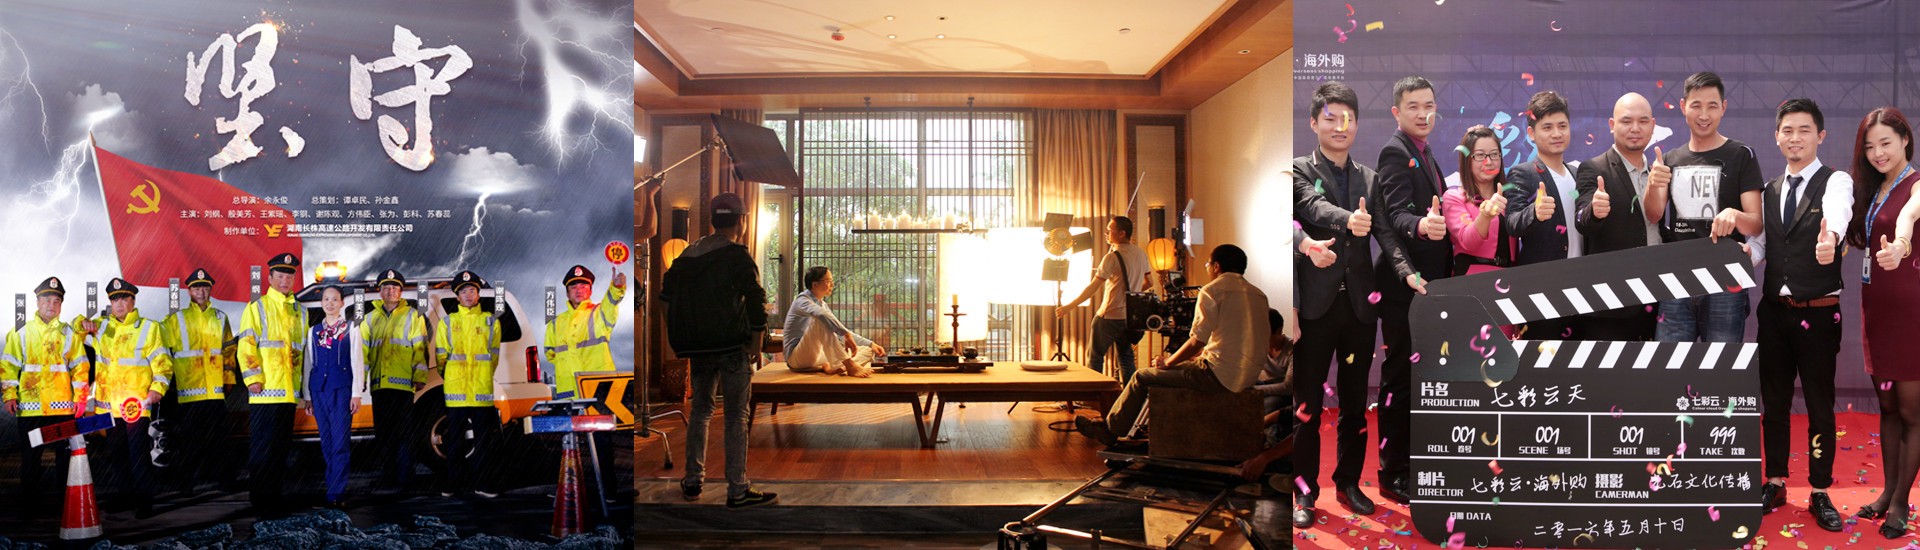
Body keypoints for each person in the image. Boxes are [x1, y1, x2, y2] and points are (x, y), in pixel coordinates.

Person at [1289, 80, 1420, 525]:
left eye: (1347, 119)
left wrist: (1406, 271)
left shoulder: (1370, 177)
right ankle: (1304, 493)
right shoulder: (1299, 170)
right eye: (1330, 118)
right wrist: (1348, 220)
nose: (1339, 126)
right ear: (1314, 123)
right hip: (1315, 308)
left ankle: (1348, 483)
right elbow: (1312, 207)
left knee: (1354, 404)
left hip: (1362, 309)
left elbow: (1385, 233)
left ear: (1357, 124)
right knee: (1306, 406)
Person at [1743, 98, 1850, 532]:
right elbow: (1762, 247)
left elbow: (1838, 213)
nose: (1795, 138)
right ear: (1776, 137)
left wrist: (1832, 238)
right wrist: (1741, 257)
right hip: (1774, 313)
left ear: (1820, 135)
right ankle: (1775, 481)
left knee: (1820, 405)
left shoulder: (1835, 181)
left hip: (1819, 314)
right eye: (1787, 130)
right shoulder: (1769, 190)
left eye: (1804, 130)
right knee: (1774, 403)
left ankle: (1820, 490)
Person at [1075, 244, 1270, 448]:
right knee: (1170, 366)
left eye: (1208, 264)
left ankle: (1110, 430)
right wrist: (1195, 358)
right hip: (1249, 376)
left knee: (1141, 376)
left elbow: (1197, 341)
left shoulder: (1213, 291)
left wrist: (1168, 362)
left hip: (1217, 376)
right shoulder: (1258, 294)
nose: (1207, 268)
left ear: (1216, 266)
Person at [660, 193, 777, 509]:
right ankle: (737, 489)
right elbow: (756, 299)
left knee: (701, 410)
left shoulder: (688, 255)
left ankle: (693, 480)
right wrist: (756, 343)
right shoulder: (736, 254)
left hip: (699, 348)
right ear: (742, 220)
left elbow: (665, 300)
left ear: (712, 219)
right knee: (737, 414)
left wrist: (679, 335)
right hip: (732, 345)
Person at [1844, 107, 1920, 539]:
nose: (1878, 153)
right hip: (1877, 310)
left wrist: (1902, 246)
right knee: (1888, 408)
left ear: (1905, 139)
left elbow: (1908, 219)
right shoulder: (1873, 190)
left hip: (1911, 312)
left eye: (1886, 143)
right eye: (1870, 146)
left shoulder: (1916, 185)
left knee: (1911, 412)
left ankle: (1900, 502)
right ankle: (1888, 490)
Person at [1373, 75, 1449, 506]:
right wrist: (1421, 225)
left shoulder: (1425, 150)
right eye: (1414, 107)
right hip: (1403, 287)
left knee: (1417, 379)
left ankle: (1410, 464)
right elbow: (1395, 213)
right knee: (1400, 379)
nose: (1423, 114)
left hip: (1425, 286)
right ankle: (1392, 473)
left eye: (1429, 105)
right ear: (1396, 112)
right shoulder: (1395, 151)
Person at [1647, 72, 1765, 343]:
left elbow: (1756, 223)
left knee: (1722, 365)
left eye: (1712, 106)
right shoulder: (1670, 159)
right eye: (1696, 105)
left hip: (1726, 276)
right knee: (1671, 363)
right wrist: (1653, 184)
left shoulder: (1741, 155)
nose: (1704, 115)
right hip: (1676, 277)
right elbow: (1654, 214)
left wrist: (1735, 216)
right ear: (1683, 106)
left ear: (1723, 108)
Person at [1575, 93, 1666, 341]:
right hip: (1611, 305)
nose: (1635, 128)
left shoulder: (1659, 171)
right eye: (1626, 121)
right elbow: (1582, 219)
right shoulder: (1594, 168)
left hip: (1657, 300)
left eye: (1643, 121)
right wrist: (1595, 211)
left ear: (1653, 125)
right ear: (1612, 125)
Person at [80, 278, 170, 518]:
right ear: (110, 303)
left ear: (133, 301)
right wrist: (82, 322)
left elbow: (162, 362)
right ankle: (125, 496)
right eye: (114, 300)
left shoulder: (149, 328)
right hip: (108, 407)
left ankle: (144, 500)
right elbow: (75, 330)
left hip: (136, 406)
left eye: (123, 299)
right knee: (116, 454)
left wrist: (158, 388)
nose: (119, 304)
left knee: (138, 455)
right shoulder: (101, 327)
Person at [1, 277, 90, 518]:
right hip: (30, 409)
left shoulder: (69, 333)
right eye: (47, 299)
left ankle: (65, 506)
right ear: (37, 302)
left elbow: (80, 367)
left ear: (61, 305)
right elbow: (8, 366)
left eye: (56, 300)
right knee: (31, 460)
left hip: (62, 409)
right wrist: (9, 395)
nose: (51, 304)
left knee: (65, 459)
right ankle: (30, 508)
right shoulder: (21, 331)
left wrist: (81, 398)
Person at [1503, 91, 1582, 340]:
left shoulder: (1578, 174)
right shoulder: (1523, 173)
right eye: (1547, 127)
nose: (1557, 133)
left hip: (1583, 288)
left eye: (1562, 126)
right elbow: (1512, 222)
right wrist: (1534, 213)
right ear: (1531, 133)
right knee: (1542, 360)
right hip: (1542, 291)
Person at [545, 264, 627, 501]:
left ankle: (608, 492)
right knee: (567, 443)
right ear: (567, 292)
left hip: (596, 389)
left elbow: (612, 302)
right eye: (574, 286)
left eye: (584, 285)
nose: (579, 289)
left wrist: (617, 287)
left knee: (601, 441)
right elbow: (550, 352)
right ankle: (570, 490)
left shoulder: (600, 313)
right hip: (568, 391)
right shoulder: (555, 322)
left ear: (590, 290)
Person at [240, 252, 307, 514]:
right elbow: (247, 345)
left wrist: (301, 389)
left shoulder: (300, 311)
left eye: (289, 276)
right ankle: (259, 500)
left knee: (280, 449)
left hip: (288, 392)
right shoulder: (257, 307)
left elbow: (301, 352)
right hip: (265, 391)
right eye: (280, 276)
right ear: (269, 278)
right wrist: (253, 378)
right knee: (262, 449)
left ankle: (275, 497)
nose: (285, 280)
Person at [161, 268, 237, 491]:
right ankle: (186, 484)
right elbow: (162, 348)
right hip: (189, 391)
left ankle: (225, 482)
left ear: (210, 290)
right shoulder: (176, 319)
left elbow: (228, 350)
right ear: (189, 291)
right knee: (189, 441)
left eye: (205, 287)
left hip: (215, 390)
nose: (201, 292)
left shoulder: (220, 317)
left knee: (219, 440)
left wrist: (228, 378)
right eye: (196, 288)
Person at [1056, 216, 1154, 382]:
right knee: (1126, 358)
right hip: (1129, 317)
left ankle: (1095, 393)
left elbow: (1093, 287)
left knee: (1095, 357)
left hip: (1109, 315)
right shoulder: (1140, 254)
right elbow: (1149, 282)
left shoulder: (1112, 257)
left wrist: (1069, 306)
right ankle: (1130, 394)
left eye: (1110, 230)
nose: (1106, 233)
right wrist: (1130, 293)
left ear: (1122, 233)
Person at [434, 270, 502, 499]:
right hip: (456, 391)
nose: (468, 295)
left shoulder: (491, 321)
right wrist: (452, 376)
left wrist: (483, 375)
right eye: (463, 291)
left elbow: (494, 357)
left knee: (483, 442)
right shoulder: (447, 322)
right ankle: (454, 484)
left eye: (472, 290)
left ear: (478, 294)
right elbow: (441, 357)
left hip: (481, 391)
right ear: (457, 296)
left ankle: (483, 484)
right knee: (454, 441)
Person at [359, 269, 428, 491]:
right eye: (386, 287)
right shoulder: (370, 318)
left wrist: (419, 376)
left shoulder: (413, 316)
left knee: (404, 434)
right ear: (380, 291)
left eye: (395, 287)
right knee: (383, 435)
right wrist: (361, 379)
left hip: (403, 385)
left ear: (401, 291)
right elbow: (363, 352)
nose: (390, 291)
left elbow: (420, 348)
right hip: (379, 385)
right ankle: (388, 477)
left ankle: (406, 479)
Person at [300, 285, 365, 508]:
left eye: (334, 299)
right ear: (321, 303)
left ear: (342, 303)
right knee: (326, 443)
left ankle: (336, 493)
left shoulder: (351, 329)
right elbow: (309, 364)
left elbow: (357, 362)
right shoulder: (313, 331)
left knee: (340, 443)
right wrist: (307, 395)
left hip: (341, 390)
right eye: (326, 299)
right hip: (319, 391)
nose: (330, 303)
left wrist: (356, 394)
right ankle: (332, 488)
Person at [1444, 125, 1519, 278]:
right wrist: (1486, 215)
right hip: (1472, 282)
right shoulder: (1454, 197)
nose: (1488, 162)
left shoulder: (1510, 197)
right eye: (1480, 155)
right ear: (1467, 160)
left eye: (1494, 154)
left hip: (1512, 280)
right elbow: (1468, 242)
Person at [783, 266, 884, 377]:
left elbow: (839, 331)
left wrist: (871, 344)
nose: (832, 284)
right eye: (828, 281)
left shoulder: (822, 305)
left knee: (867, 350)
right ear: (815, 284)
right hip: (797, 358)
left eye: (832, 281)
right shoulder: (802, 300)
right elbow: (823, 316)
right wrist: (846, 334)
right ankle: (849, 365)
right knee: (821, 320)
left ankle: (835, 367)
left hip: (817, 355)